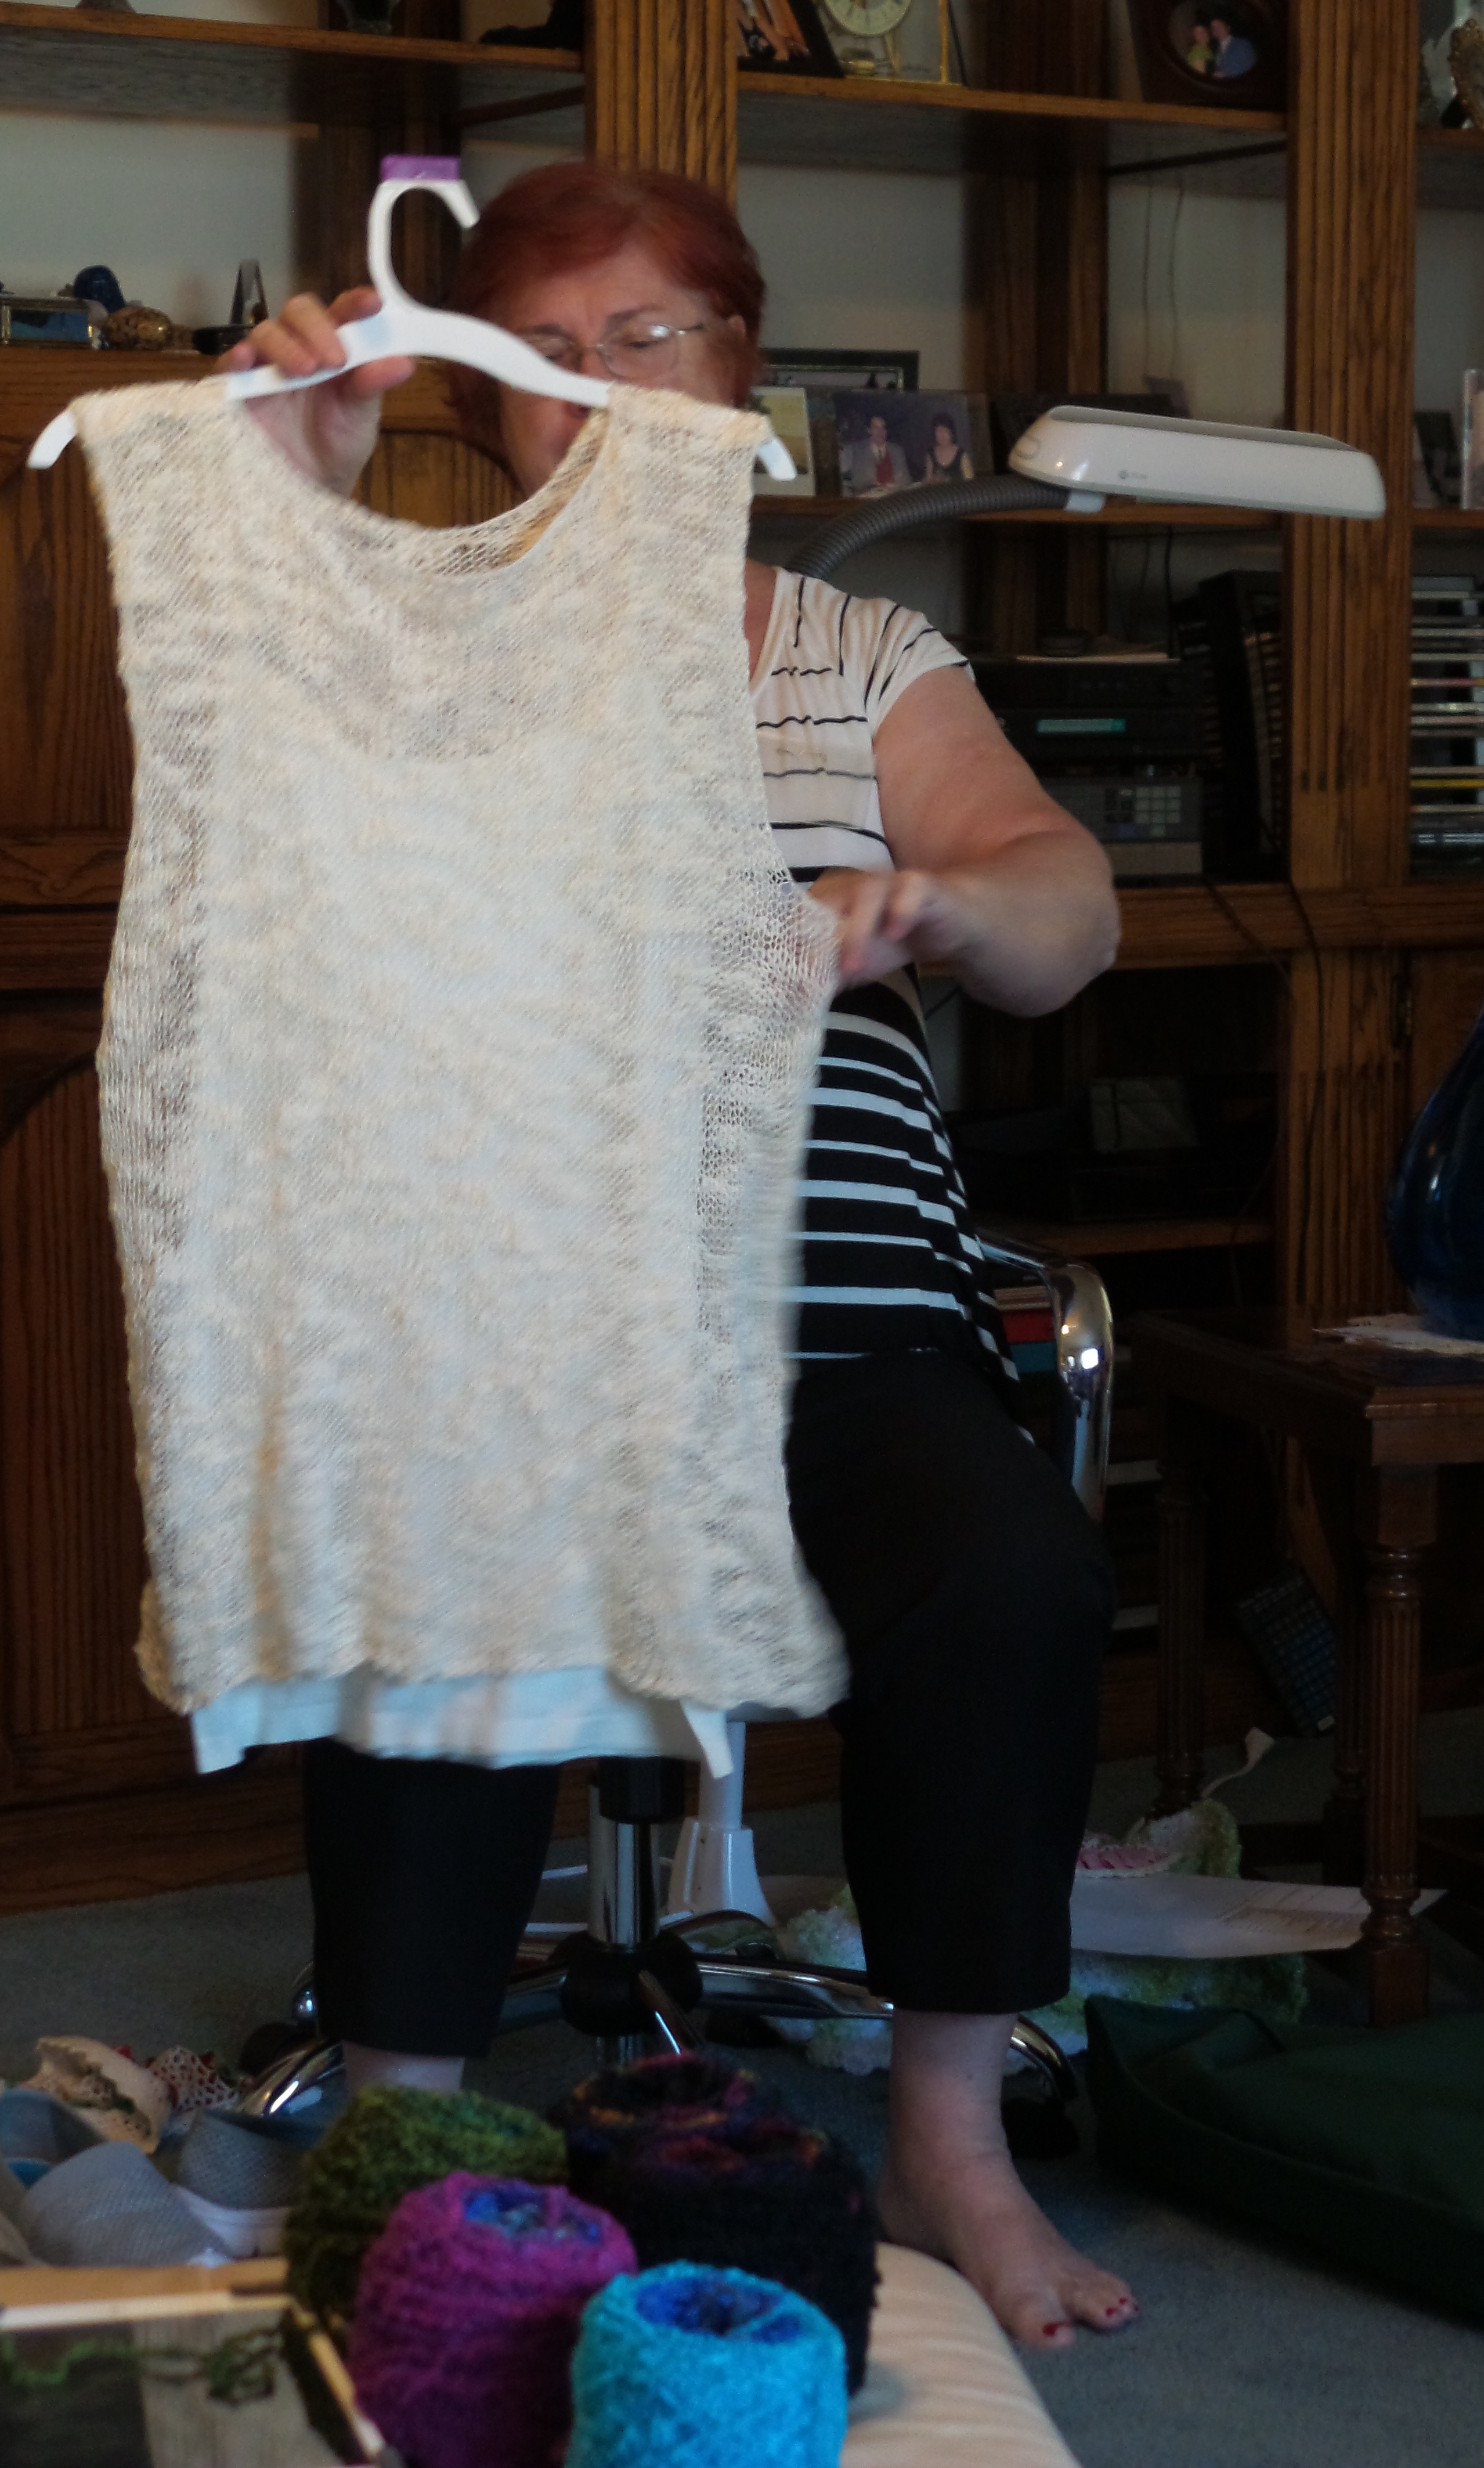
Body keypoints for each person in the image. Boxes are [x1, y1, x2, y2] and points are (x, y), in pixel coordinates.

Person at [226, 161, 1132, 2351]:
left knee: (1004, 1564)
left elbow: (1064, 906)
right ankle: (405, 2128)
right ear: (486, 411)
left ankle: (946, 2132)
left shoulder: (853, 657)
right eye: (549, 354)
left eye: (653, 337)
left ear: (739, 380)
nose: (609, 388)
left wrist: (943, 900)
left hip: (845, 1343)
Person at [840, 406, 912, 494]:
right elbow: (843, 475)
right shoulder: (856, 450)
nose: (880, 432)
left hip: (894, 496)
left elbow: (906, 479)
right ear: (869, 430)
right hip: (867, 497)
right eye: (876, 428)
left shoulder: (897, 450)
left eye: (883, 428)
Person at [922, 410, 974, 483]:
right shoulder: (931, 454)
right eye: (939, 431)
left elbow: (970, 481)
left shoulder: (961, 455)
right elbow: (928, 481)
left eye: (945, 431)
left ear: (952, 433)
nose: (942, 435)